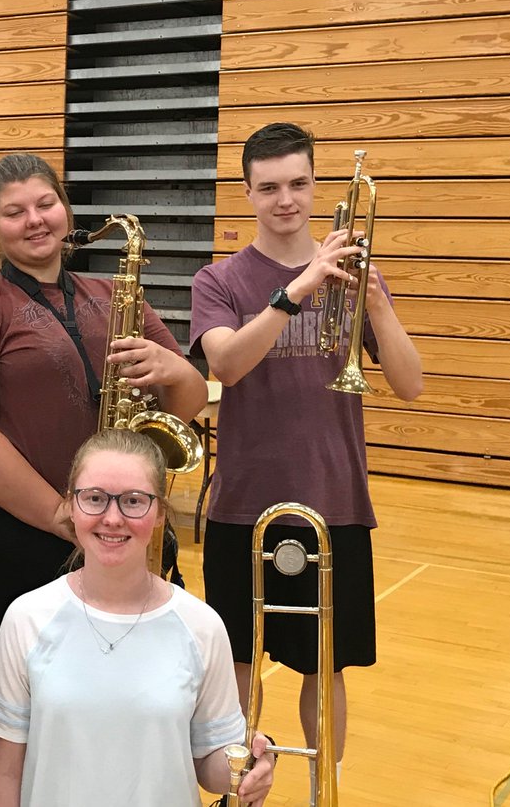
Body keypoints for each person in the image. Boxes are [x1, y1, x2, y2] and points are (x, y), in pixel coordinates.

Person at [0, 152, 209, 792]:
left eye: (45, 203)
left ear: (66, 207)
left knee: (126, 697)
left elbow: (188, 400)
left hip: (113, 533)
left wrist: (175, 370)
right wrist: (63, 516)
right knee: (18, 717)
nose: (34, 220)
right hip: (4, 538)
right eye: (13, 212)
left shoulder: (113, 295)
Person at [190, 122, 423, 800]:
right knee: (239, 664)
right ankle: (237, 787)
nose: (285, 200)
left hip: (335, 498)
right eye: (268, 188)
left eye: (297, 183)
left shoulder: (354, 274)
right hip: (244, 503)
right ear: (247, 192)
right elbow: (226, 364)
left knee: (327, 666)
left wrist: (375, 302)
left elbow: (410, 384)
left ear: (316, 184)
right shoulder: (220, 279)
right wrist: (298, 288)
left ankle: (327, 788)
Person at [0, 429, 275, 806]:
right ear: (71, 506)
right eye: (95, 498)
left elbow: (212, 767)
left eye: (133, 501)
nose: (113, 518)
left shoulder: (203, 626)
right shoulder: (27, 618)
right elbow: (5, 773)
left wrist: (249, 767)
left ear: (160, 513)